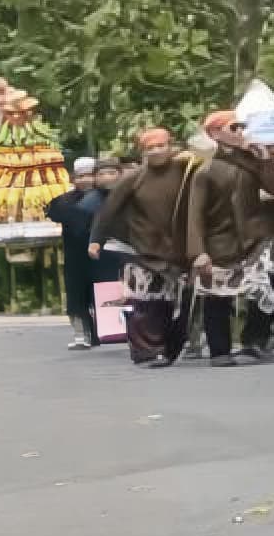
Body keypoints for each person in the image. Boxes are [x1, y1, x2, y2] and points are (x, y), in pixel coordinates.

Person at [190, 110, 274, 364]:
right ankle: (219, 351)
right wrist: (198, 251)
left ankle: (255, 340)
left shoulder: (251, 160)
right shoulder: (205, 169)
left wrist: (265, 159)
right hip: (219, 241)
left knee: (264, 285)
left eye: (241, 127)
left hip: (255, 238)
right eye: (233, 127)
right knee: (217, 295)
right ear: (215, 133)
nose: (240, 132)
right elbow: (194, 215)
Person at [100, 127, 207, 368]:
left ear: (171, 146)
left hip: (179, 248)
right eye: (151, 148)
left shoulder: (187, 170)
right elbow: (108, 213)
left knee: (178, 302)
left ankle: (170, 349)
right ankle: (148, 351)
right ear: (143, 152)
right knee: (146, 302)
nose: (157, 151)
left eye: (161, 146)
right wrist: (98, 241)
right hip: (142, 249)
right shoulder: (133, 179)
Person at [45, 156, 110, 351]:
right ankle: (81, 334)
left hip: (103, 255)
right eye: (80, 176)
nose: (85, 180)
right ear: (73, 179)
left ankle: (107, 331)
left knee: (104, 292)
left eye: (90, 175)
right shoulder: (63, 201)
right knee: (76, 296)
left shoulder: (109, 198)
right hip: (75, 256)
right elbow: (55, 213)